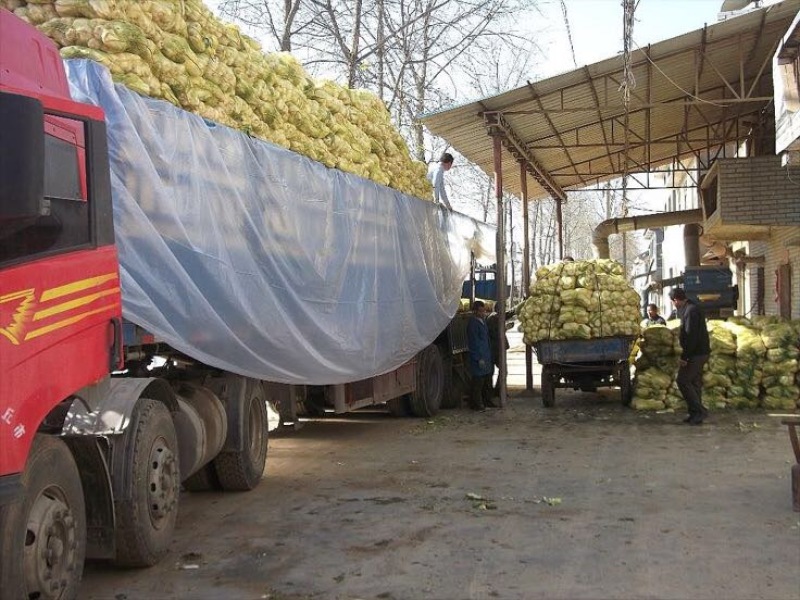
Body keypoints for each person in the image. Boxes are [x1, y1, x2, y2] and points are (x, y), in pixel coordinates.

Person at [670, 287, 711, 425]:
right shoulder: (692, 308)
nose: (674, 305)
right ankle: (695, 414)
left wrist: (685, 357)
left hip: (696, 353)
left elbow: (691, 336)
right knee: (694, 382)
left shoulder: (690, 311)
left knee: (682, 380)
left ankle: (699, 411)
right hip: (700, 352)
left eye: (673, 302)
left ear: (676, 300)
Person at [466, 300, 494, 411]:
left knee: (486, 380)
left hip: (486, 354)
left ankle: (486, 401)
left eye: (484, 311)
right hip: (478, 356)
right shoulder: (473, 324)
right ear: (475, 311)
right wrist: (478, 357)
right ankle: (476, 404)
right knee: (478, 381)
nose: (483, 313)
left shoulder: (483, 322)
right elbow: (474, 342)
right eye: (481, 311)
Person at [486, 307, 513, 398]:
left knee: (503, 370)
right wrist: (504, 328)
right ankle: (492, 391)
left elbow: (508, 314)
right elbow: (494, 334)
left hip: (498, 349)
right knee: (492, 371)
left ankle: (498, 390)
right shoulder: (492, 319)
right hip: (495, 349)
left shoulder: (498, 317)